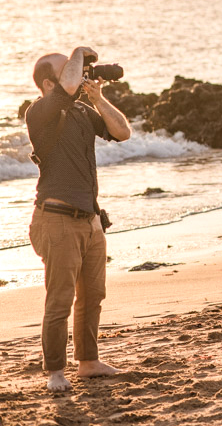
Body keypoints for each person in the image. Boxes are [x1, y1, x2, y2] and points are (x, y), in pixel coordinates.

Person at [25, 47, 132, 391]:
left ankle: (88, 362)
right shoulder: (39, 113)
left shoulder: (84, 112)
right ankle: (55, 371)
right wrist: (77, 53)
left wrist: (99, 99)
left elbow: (122, 132)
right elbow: (68, 86)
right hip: (56, 219)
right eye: (71, 68)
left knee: (92, 295)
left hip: (89, 219)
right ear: (47, 82)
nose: (80, 72)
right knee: (59, 299)